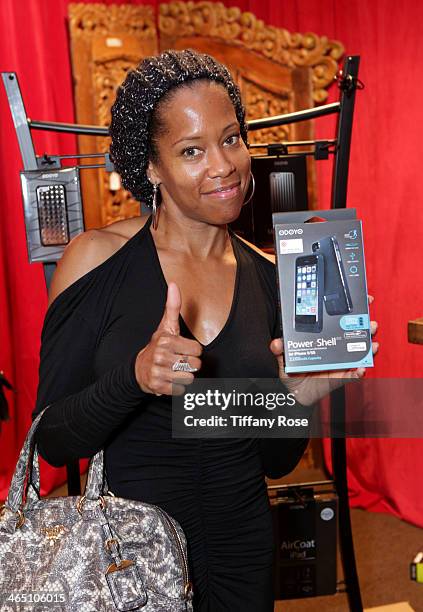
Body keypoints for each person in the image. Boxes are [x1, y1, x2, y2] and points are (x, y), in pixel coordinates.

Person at [33, 49, 378, 611]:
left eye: (231, 139)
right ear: (150, 166)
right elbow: (53, 440)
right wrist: (136, 377)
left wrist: (296, 398)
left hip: (243, 556)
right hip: (129, 564)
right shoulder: (97, 260)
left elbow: (275, 463)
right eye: (191, 150)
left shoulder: (271, 278)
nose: (223, 165)